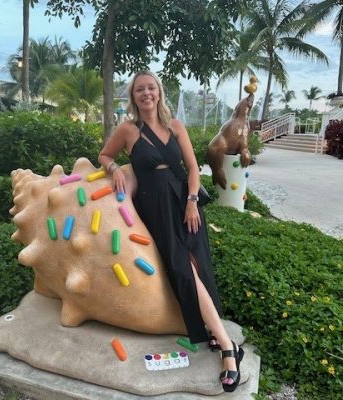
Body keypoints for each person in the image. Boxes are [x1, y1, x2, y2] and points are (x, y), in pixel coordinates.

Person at [98, 71, 244, 392]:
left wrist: (192, 201)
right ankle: (226, 345)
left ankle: (225, 346)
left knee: (195, 268)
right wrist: (112, 170)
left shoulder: (176, 126)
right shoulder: (128, 130)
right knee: (183, 270)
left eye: (151, 88)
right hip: (155, 208)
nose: (146, 93)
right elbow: (105, 154)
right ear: (133, 97)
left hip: (184, 204)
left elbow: (193, 168)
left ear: (159, 92)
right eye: (140, 90)